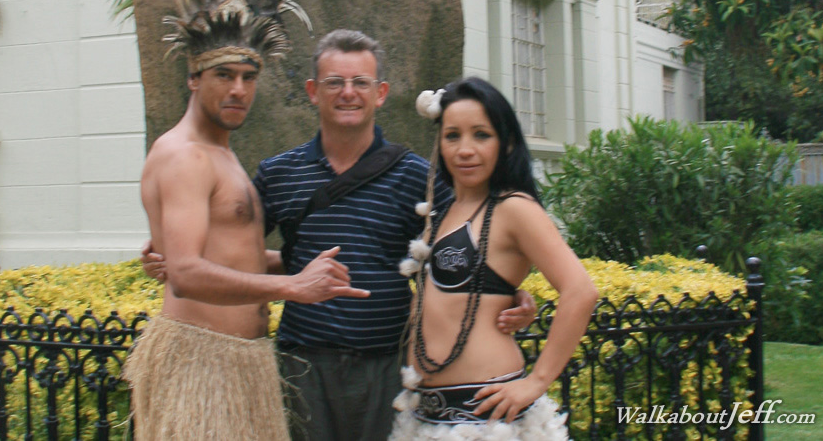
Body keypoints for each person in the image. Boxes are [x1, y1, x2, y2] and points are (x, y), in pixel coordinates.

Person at [143, 29, 537, 441]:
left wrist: (510, 294)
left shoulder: (419, 178)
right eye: (334, 82)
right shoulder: (279, 173)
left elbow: (466, 253)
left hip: (387, 366)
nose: (348, 93)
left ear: (380, 93)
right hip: (302, 368)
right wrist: (167, 254)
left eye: (360, 83)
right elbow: (236, 251)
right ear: (313, 91)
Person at [124, 0, 368, 440]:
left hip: (242, 364)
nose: (238, 89)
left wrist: (303, 263)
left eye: (248, 77)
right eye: (224, 75)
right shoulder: (185, 156)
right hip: (200, 365)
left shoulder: (222, 155)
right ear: (193, 78)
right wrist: (293, 287)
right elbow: (187, 274)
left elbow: (228, 257)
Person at [389, 77, 599, 440]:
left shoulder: (514, 208)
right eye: (452, 136)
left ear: (506, 142)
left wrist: (537, 381)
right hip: (424, 417)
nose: (464, 150)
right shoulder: (445, 212)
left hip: (488, 420)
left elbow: (581, 291)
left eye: (481, 135)